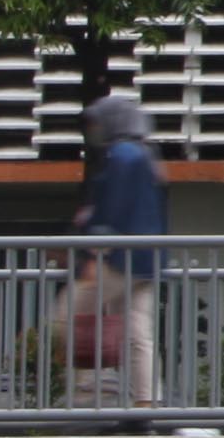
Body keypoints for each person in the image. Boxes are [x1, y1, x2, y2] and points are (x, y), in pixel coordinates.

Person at [57, 92, 168, 410]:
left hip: (119, 258)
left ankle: (91, 391)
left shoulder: (121, 157)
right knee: (137, 328)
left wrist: (93, 253)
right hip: (148, 258)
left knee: (71, 314)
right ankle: (147, 400)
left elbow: (113, 211)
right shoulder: (148, 155)